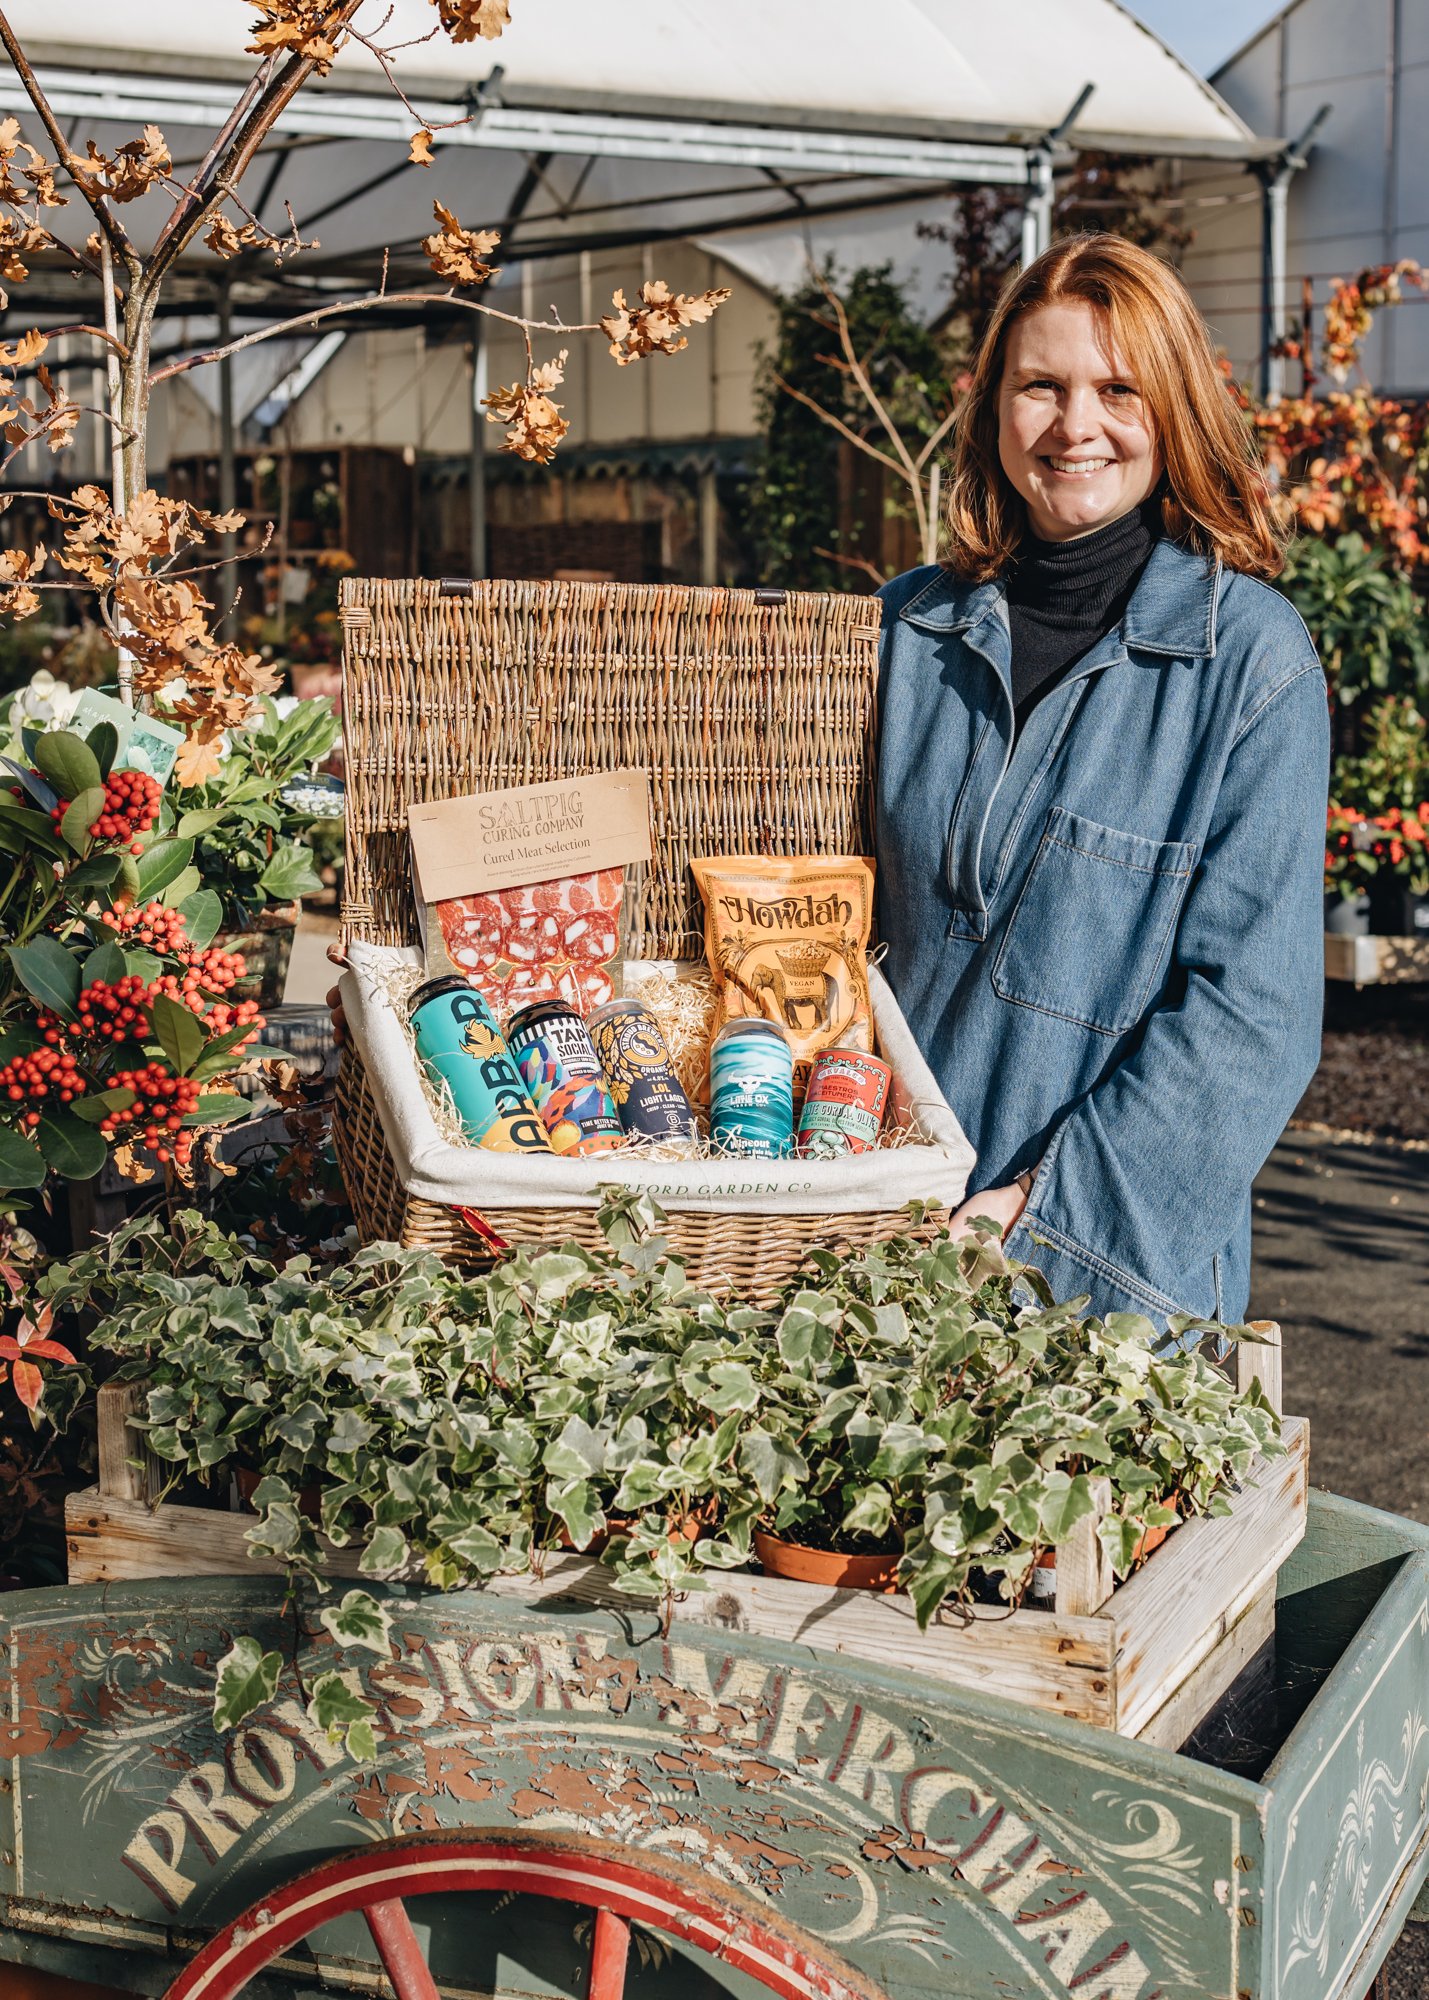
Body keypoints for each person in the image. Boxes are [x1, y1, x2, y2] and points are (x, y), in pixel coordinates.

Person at [876, 233, 1328, 1328]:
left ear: (1169, 412)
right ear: (994, 411)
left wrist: (1032, 1215)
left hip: (1106, 1297)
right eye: (1041, 385)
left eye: (1116, 389)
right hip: (877, 1246)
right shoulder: (903, 632)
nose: (1076, 425)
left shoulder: (1249, 664)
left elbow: (1250, 1014)